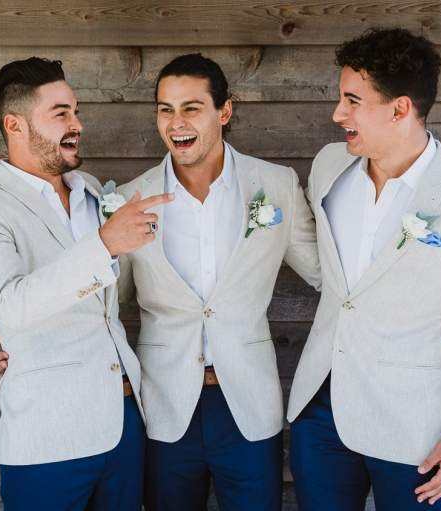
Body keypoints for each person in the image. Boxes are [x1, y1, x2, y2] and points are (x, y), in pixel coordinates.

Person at [287, 28, 441, 510]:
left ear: (399, 109)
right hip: (319, 413)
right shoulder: (329, 167)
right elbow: (342, 281)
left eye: (352, 101)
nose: (338, 114)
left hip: (415, 428)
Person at [0, 57, 172, 511]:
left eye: (76, 111)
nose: (78, 125)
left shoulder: (91, 189)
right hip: (47, 435)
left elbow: (101, 304)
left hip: (124, 423)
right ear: (15, 125)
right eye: (61, 114)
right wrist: (104, 245)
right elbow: (10, 306)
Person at [115, 53, 321, 511]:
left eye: (191, 108)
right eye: (165, 109)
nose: (176, 123)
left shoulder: (276, 186)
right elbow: (107, 306)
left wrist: (420, 310)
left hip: (249, 405)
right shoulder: (130, 199)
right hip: (166, 407)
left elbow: (328, 277)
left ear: (224, 111)